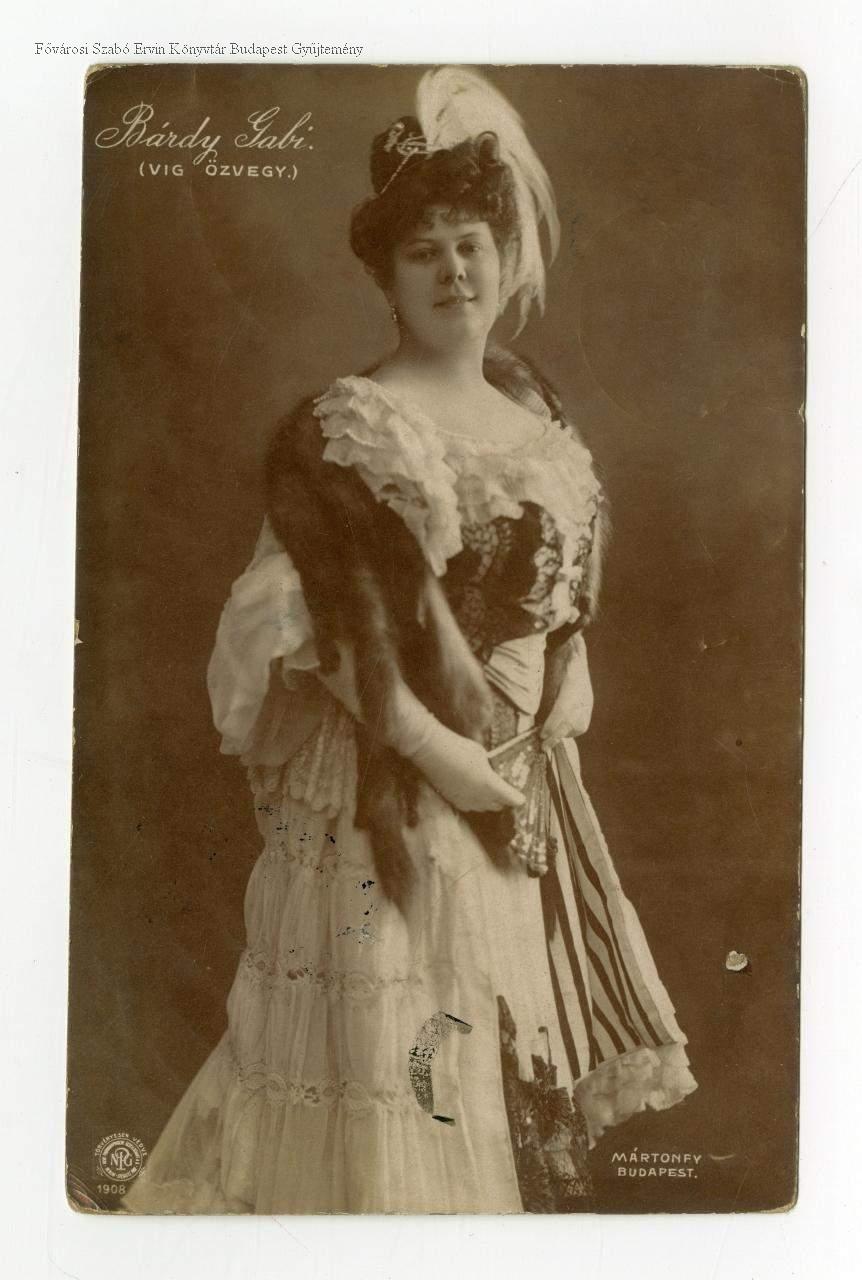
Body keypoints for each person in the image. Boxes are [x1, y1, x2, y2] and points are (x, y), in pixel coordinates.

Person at [126, 68, 696, 1216]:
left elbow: (556, 604)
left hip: (520, 787)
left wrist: (555, 705)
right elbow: (321, 626)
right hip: (391, 785)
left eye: (470, 245)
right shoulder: (357, 426)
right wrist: (444, 754)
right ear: (384, 276)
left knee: (481, 1061)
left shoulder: (537, 420)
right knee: (393, 1061)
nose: (452, 272)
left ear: (506, 255)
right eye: (422, 252)